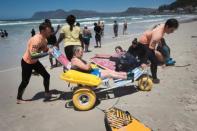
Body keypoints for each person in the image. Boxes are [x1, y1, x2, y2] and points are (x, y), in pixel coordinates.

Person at [17, 22, 52, 104]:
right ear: (43, 31)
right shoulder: (36, 40)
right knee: (25, 81)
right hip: (27, 62)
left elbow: (45, 49)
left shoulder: (44, 39)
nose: (50, 32)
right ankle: (19, 99)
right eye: (49, 31)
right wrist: (47, 53)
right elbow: (33, 56)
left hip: (35, 62)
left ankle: (47, 93)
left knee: (46, 76)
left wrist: (51, 50)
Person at [138, 18, 179, 83]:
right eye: (171, 30)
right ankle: (154, 78)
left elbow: (156, 26)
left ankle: (142, 61)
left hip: (147, 38)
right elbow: (149, 49)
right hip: (143, 43)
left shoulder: (163, 25)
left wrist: (155, 36)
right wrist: (144, 62)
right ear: (167, 26)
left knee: (151, 58)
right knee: (154, 61)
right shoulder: (158, 35)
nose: (172, 32)